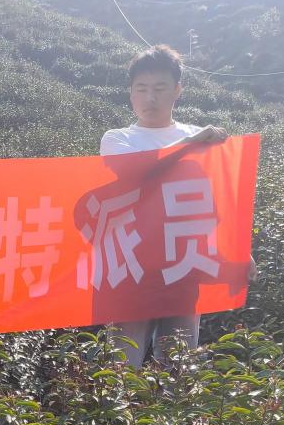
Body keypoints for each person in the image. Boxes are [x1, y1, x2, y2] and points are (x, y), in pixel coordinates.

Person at [100, 45, 256, 366]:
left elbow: (213, 203)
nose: (150, 98)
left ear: (177, 91)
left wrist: (239, 250)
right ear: (130, 93)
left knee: (178, 367)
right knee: (122, 366)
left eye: (160, 88)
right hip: (132, 268)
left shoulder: (199, 138)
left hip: (182, 265)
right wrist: (190, 144)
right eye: (141, 89)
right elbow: (134, 170)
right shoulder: (117, 138)